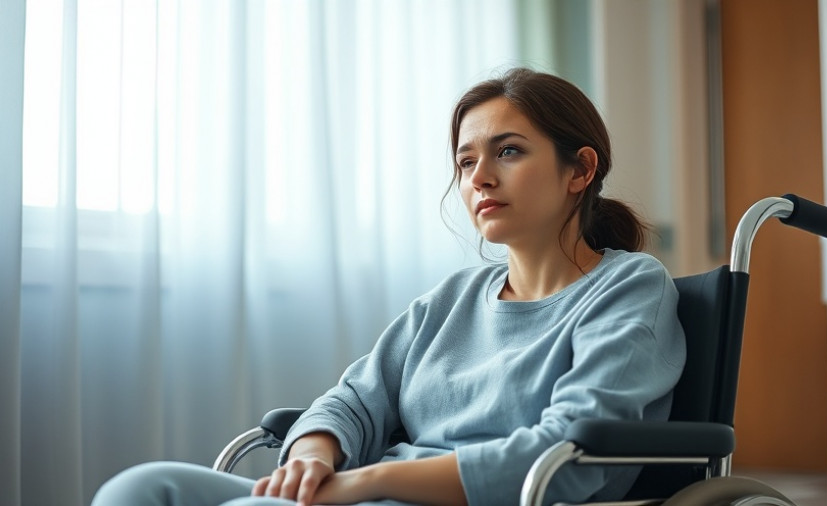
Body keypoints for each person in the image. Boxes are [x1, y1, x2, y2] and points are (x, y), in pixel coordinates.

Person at [92, 67, 686, 506]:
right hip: (365, 493)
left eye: (508, 151)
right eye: (464, 161)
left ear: (580, 170)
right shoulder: (452, 300)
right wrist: (314, 457)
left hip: (457, 497)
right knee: (142, 488)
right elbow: (352, 400)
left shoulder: (629, 287)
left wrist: (368, 480)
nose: (480, 177)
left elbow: (569, 455)